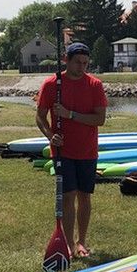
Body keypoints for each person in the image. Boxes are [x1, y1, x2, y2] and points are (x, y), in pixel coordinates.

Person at [36, 42, 108, 257]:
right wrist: (50, 135)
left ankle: (81, 241)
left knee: (85, 196)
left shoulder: (95, 85)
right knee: (68, 196)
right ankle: (67, 244)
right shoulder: (51, 84)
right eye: (78, 62)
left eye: (86, 63)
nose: (82, 67)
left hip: (87, 150)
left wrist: (71, 115)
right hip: (62, 151)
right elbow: (40, 116)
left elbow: (100, 119)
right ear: (65, 59)